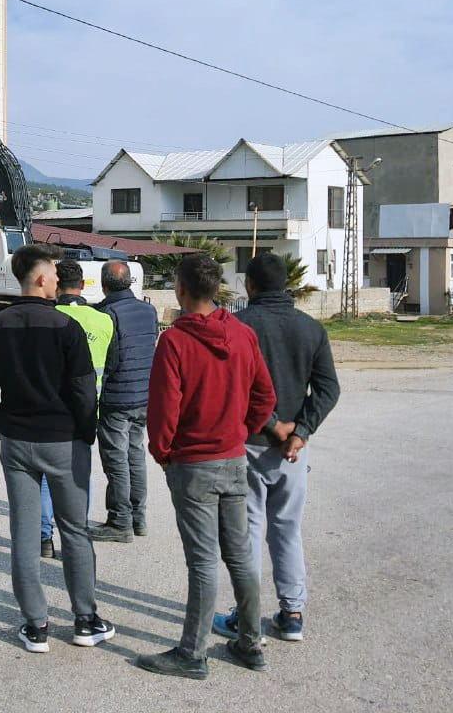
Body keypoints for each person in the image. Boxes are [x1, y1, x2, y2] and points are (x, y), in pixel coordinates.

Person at [136, 253, 276, 680]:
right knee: (239, 555)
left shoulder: (175, 342)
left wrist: (163, 453)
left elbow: (164, 409)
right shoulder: (242, 334)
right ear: (217, 290)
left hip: (193, 464)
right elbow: (265, 398)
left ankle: (191, 653)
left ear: (180, 290)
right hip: (233, 459)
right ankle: (250, 643)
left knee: (202, 561)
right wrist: (239, 432)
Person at [0, 244, 115, 654]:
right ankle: (85, 620)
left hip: (18, 440)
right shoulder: (66, 328)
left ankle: (36, 625)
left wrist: (2, 426)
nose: (57, 280)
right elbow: (83, 389)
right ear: (39, 278)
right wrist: (84, 433)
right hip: (63, 441)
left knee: (23, 531)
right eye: (53, 273)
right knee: (75, 530)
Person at [212, 252, 341, 644]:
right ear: (286, 285)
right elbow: (328, 388)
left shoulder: (237, 326)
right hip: (292, 452)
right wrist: (299, 432)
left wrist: (271, 426)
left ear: (249, 285)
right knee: (287, 530)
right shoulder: (311, 329)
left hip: (247, 444)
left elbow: (232, 388)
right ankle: (292, 614)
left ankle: (245, 616)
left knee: (248, 531)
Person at [41, 259, 117, 559]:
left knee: (47, 477)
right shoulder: (104, 319)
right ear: (83, 285)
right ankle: (76, 535)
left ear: (56, 286)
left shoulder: (47, 317)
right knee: (79, 476)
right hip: (87, 410)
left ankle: (44, 538)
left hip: (50, 411)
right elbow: (112, 365)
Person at [90, 261, 158, 542]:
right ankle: (138, 518)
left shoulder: (107, 313)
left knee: (116, 460)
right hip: (143, 396)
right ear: (129, 282)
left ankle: (120, 522)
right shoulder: (149, 310)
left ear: (104, 284)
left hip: (117, 398)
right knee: (135, 456)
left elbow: (111, 359)